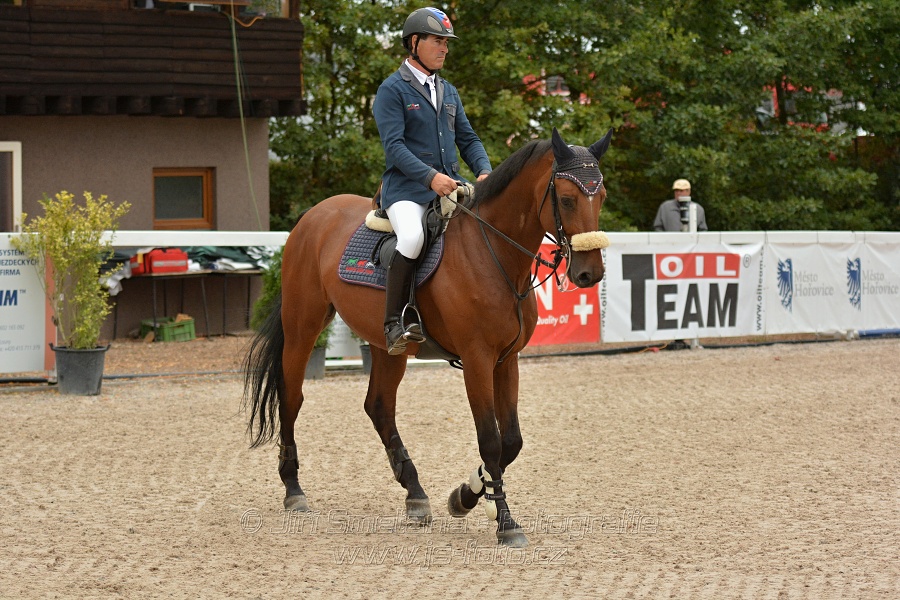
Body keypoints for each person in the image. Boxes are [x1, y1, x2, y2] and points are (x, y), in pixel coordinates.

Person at [372, 7, 492, 355]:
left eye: (446, 43)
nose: (444, 48)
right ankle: (394, 322)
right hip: (407, 191)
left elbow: (468, 139)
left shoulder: (448, 91)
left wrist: (484, 171)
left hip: (450, 185)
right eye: (438, 41)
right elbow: (394, 147)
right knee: (412, 237)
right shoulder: (392, 90)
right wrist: (430, 178)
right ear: (414, 42)